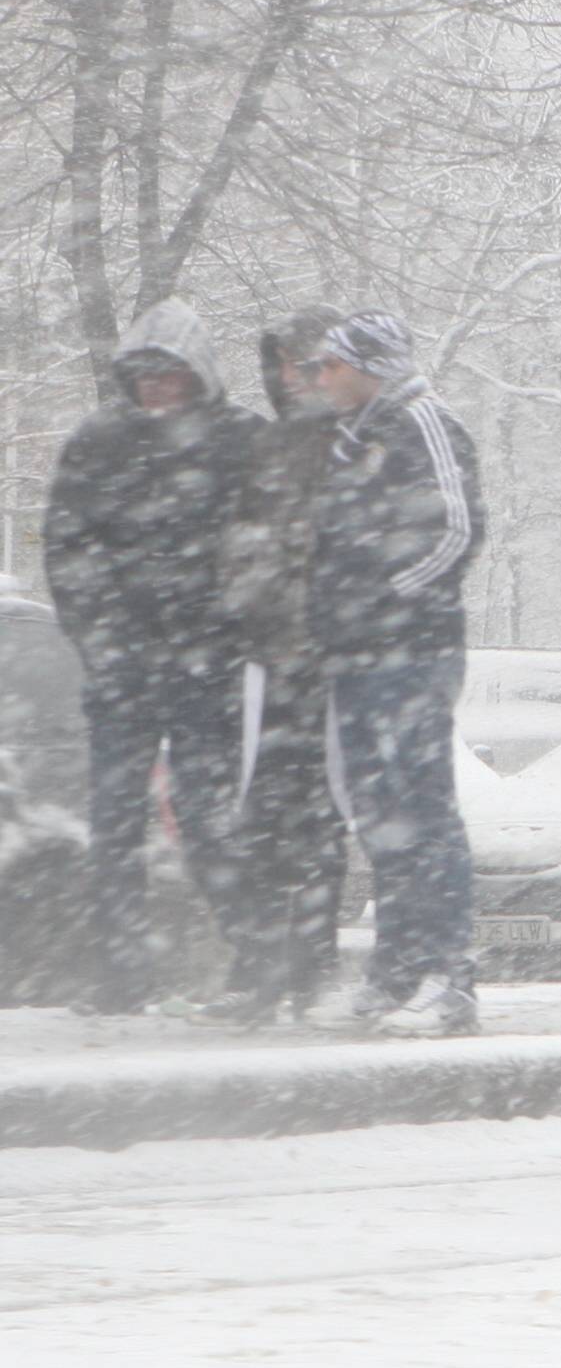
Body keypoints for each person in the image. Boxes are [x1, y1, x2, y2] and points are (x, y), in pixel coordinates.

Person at [42, 298, 261, 1013]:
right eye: (144, 375)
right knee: (114, 821)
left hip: (210, 670)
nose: (155, 388)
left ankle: (254, 957)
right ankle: (120, 972)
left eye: (168, 374)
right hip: (123, 668)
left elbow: (271, 546)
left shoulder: (240, 442)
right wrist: (101, 639)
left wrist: (232, 631)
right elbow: (68, 548)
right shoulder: (99, 443)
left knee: (206, 816)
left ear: (198, 375)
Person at [301, 311, 486, 1036]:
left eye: (332, 365)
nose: (320, 377)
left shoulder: (423, 423)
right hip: (356, 657)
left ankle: (450, 975)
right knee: (380, 814)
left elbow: (458, 531)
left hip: (411, 653)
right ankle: (397, 969)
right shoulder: (352, 439)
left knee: (424, 809)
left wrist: (383, 601)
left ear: (371, 367)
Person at [190, 306, 354, 1026]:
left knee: (320, 821)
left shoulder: (353, 441)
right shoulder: (271, 444)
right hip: (263, 662)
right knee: (257, 819)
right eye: (285, 364)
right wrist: (244, 607)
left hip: (328, 665)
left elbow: (347, 547)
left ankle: (313, 969)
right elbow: (243, 540)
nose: (295, 377)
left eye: (308, 363)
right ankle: (259, 968)